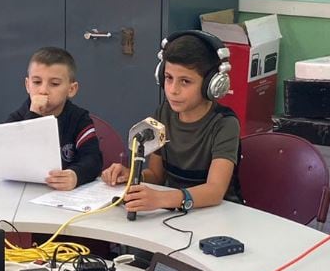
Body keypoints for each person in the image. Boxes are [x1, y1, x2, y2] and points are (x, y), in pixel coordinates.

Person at [101, 31, 241, 212]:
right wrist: (131, 176)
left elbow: (214, 191)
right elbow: (157, 175)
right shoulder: (164, 113)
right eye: (168, 78)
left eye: (185, 81)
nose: (173, 90)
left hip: (217, 214)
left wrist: (162, 198)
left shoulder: (224, 124)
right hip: (174, 211)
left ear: (211, 85)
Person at [6, 47, 102, 191]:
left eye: (54, 84)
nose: (43, 90)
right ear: (27, 85)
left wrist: (76, 175)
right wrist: (34, 116)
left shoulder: (79, 119)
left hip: (64, 195)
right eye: (37, 82)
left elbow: (94, 160)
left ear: (71, 89)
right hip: (22, 192)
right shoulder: (16, 119)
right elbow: (10, 160)